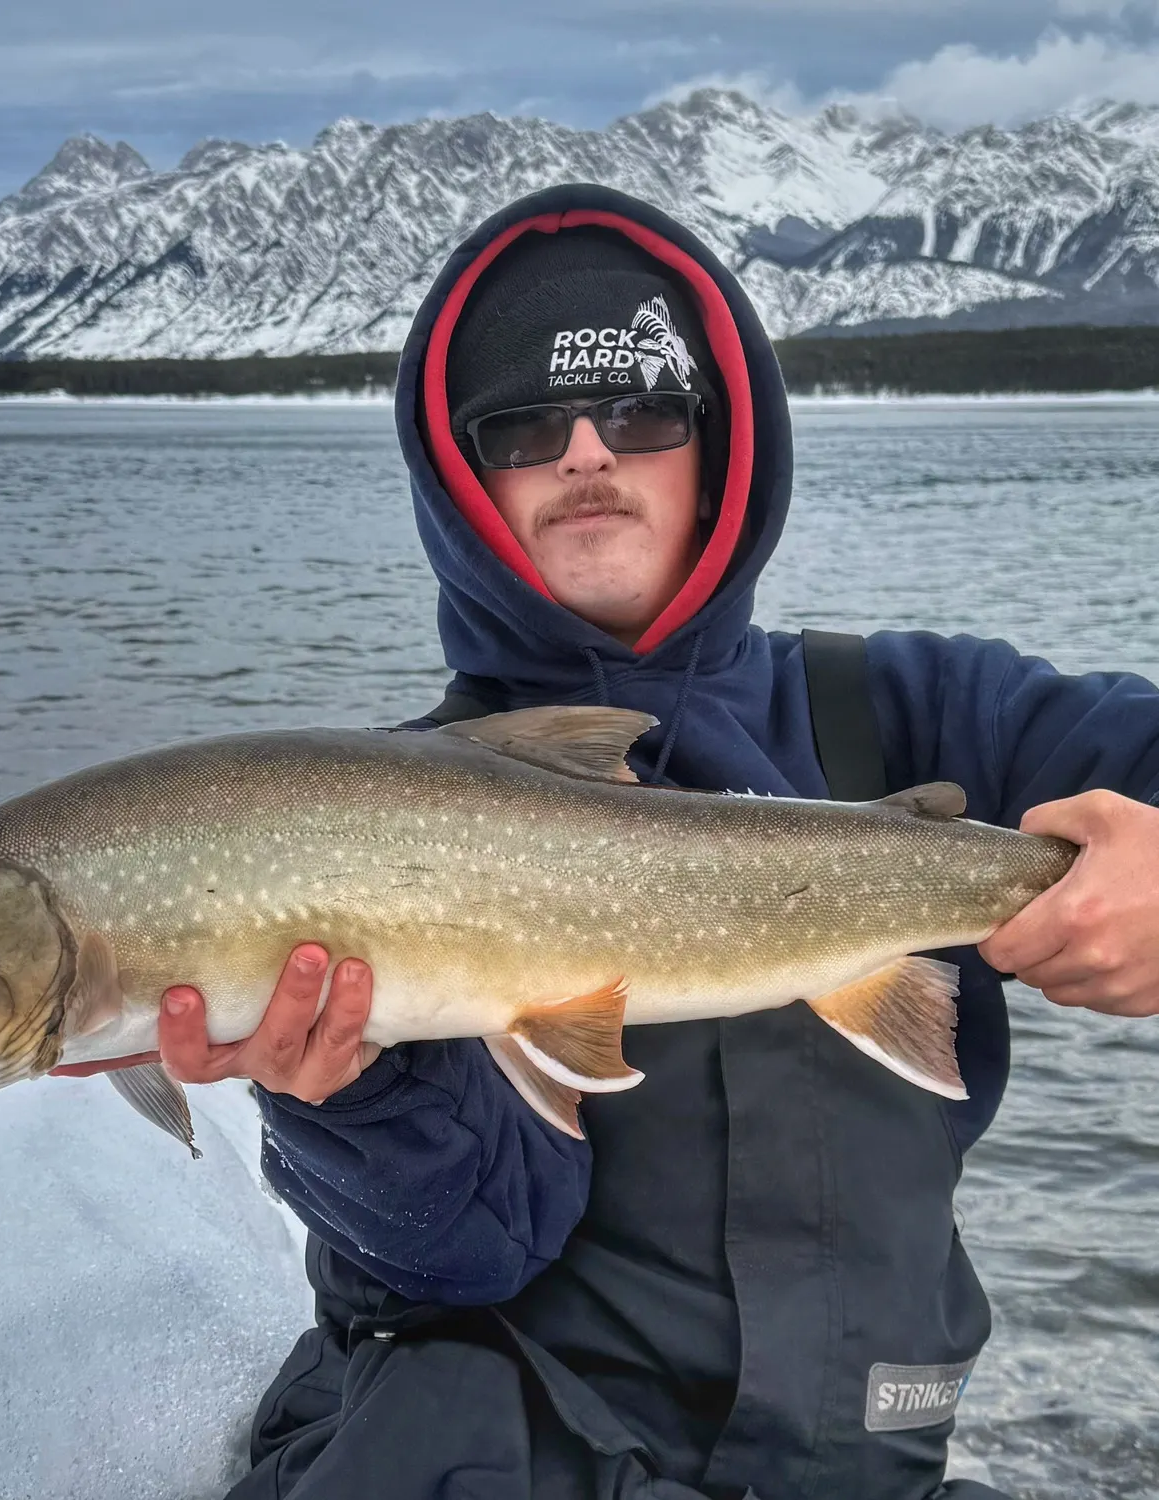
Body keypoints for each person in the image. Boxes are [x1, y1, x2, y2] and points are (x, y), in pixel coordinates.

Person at [68, 185, 1159, 1499]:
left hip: (865, 1461)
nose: (587, 451)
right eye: (524, 425)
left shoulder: (917, 715)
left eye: (641, 408)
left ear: (716, 451)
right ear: (468, 480)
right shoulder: (373, 828)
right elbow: (461, 1260)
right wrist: (350, 1091)